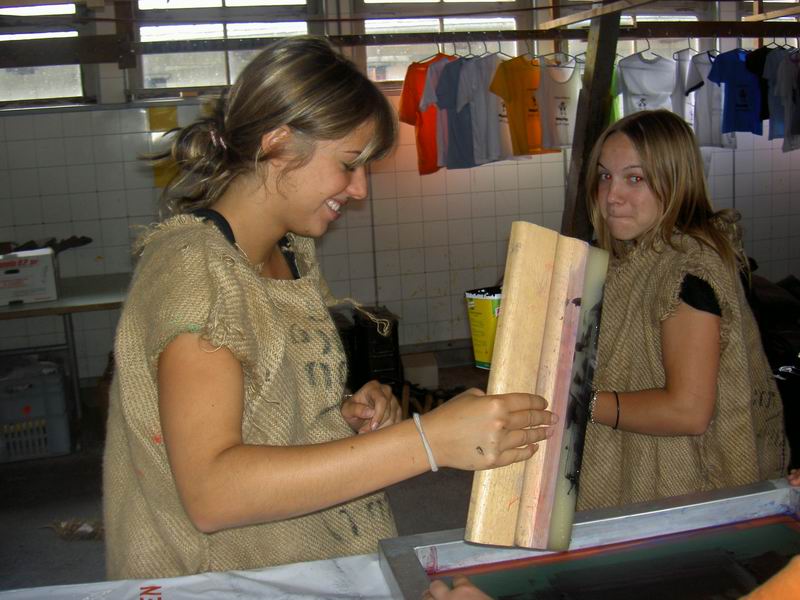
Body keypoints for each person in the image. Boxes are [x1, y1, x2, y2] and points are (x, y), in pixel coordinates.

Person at [102, 35, 556, 580]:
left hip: (302, 560)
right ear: (278, 145)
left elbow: (256, 404)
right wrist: (427, 440)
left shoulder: (287, 251)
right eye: (349, 164)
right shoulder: (196, 273)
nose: (360, 190)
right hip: (220, 580)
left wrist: (333, 418)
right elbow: (213, 493)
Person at [576, 109, 788, 511]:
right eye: (604, 176)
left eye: (634, 178)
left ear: (675, 181)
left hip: (689, 487)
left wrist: (575, 402)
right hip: (652, 471)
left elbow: (687, 412)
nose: (611, 196)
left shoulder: (687, 273)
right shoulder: (636, 259)